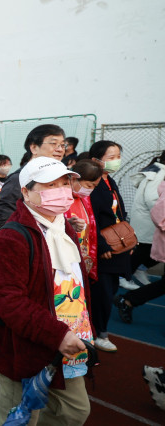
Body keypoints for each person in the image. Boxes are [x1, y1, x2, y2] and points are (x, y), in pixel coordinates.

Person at [0, 156, 92, 426]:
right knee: (20, 419)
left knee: (74, 412)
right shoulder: (11, 238)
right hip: (27, 349)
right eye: (49, 185)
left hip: (68, 345)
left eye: (64, 183)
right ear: (26, 192)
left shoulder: (64, 228)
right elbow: (8, 300)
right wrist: (57, 334)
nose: (61, 190)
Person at [88, 140, 131, 352]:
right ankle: (99, 333)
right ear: (96, 160)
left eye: (118, 156)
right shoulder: (92, 184)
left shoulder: (110, 181)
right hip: (103, 247)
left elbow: (118, 213)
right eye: (111, 157)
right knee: (102, 293)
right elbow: (91, 218)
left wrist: (128, 239)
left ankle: (97, 330)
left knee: (111, 288)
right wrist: (101, 245)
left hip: (117, 244)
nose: (116, 161)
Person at [0, 125, 67, 230]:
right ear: (34, 148)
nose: (60, 149)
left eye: (63, 145)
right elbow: (4, 219)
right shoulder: (18, 179)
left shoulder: (56, 177)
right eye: (53, 144)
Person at [115, 180, 165, 323]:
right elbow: (158, 212)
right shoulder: (157, 177)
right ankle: (128, 297)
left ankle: (129, 300)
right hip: (146, 229)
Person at [121, 151, 165, 290]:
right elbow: (151, 198)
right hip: (149, 219)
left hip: (145, 217)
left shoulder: (156, 169)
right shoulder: (161, 173)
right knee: (145, 250)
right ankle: (123, 276)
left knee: (146, 250)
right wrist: (161, 213)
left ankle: (138, 269)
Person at [65, 160, 103, 283]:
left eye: (94, 187)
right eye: (88, 185)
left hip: (82, 255)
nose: (90, 190)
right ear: (73, 179)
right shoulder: (62, 199)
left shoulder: (84, 200)